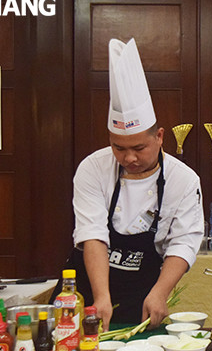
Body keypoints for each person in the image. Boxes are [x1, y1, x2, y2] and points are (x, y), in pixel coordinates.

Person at [57, 38, 204, 331]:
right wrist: (101, 297)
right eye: (118, 148)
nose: (129, 158)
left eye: (139, 147)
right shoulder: (93, 168)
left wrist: (161, 292)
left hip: (143, 293)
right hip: (87, 288)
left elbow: (185, 241)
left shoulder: (183, 179)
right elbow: (93, 234)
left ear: (159, 136)